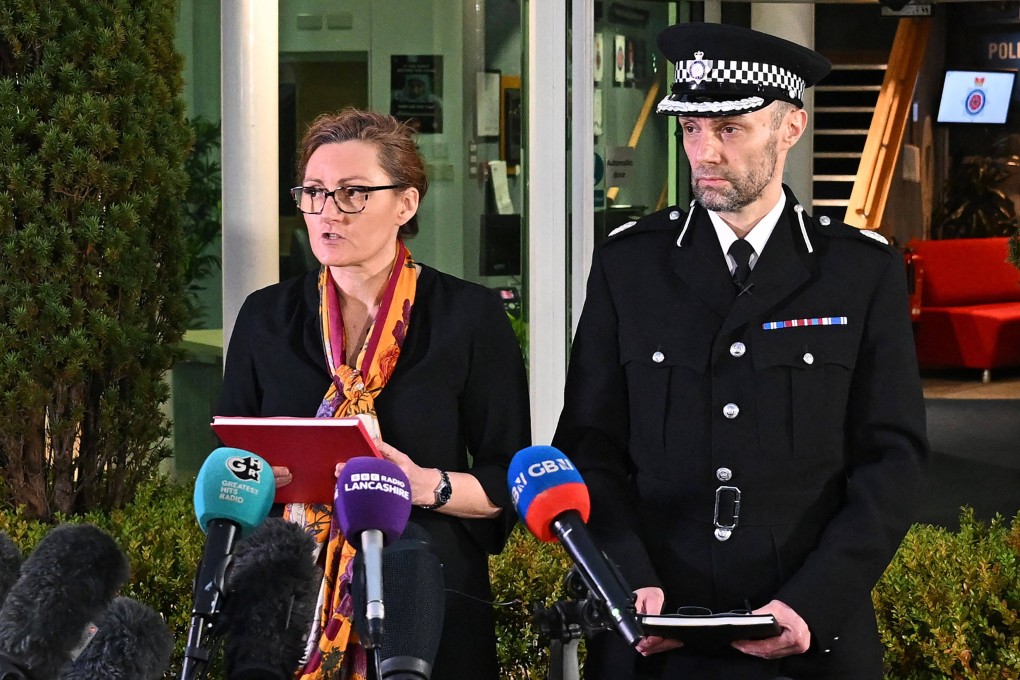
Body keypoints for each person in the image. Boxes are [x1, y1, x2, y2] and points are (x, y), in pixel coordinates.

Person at [553, 22, 928, 680]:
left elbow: (890, 462)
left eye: (730, 129)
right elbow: (590, 448)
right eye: (692, 128)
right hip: (655, 637)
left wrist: (812, 603)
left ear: (791, 128)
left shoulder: (859, 271)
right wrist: (629, 582)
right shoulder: (628, 266)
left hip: (809, 641)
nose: (705, 152)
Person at [217, 108, 530, 680]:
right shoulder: (265, 317)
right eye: (313, 193)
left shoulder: (469, 317)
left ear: (405, 205)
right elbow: (229, 465)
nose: (326, 213)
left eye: (352, 194)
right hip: (287, 604)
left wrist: (422, 486)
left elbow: (507, 479)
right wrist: (260, 483)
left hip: (428, 595)